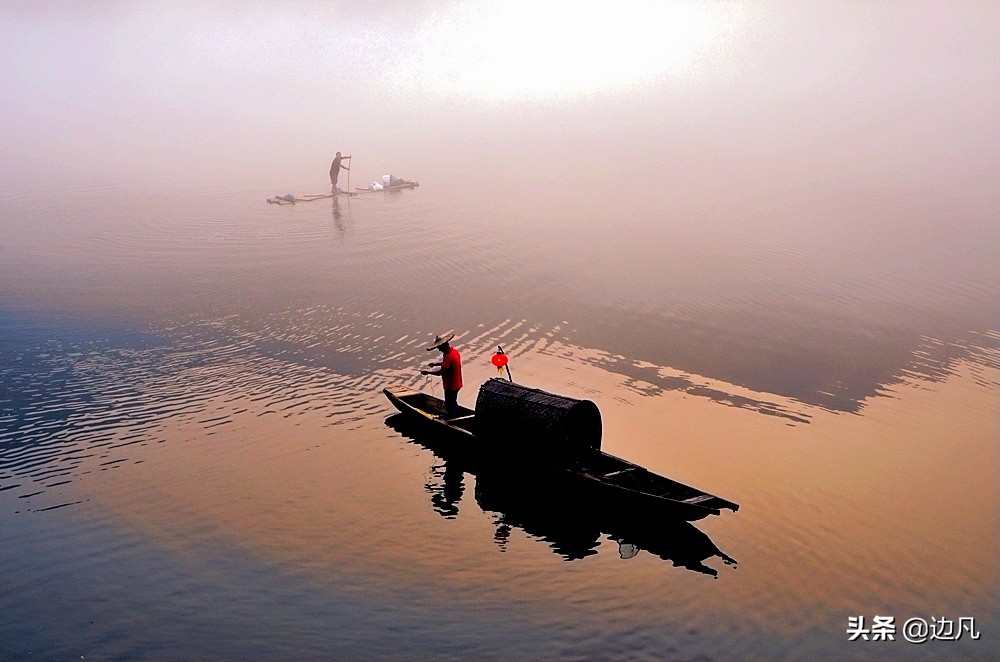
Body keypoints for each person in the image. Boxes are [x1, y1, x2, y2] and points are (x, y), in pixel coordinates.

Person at [421, 332, 463, 417]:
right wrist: (435, 364)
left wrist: (428, 372)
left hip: (451, 386)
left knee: (449, 405)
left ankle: (453, 420)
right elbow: (447, 364)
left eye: (439, 348)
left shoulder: (448, 356)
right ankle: (456, 416)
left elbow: (441, 372)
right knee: (453, 402)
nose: (439, 350)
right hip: (457, 383)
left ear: (444, 346)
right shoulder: (454, 352)